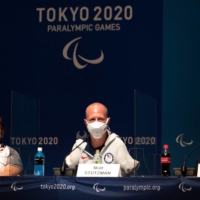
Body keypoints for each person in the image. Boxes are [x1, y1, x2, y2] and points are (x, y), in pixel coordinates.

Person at [65, 102, 139, 177]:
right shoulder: (80, 145)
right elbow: (68, 167)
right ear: (85, 122)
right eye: (92, 119)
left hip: (111, 188)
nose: (96, 123)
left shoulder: (117, 144)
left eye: (100, 119)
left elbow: (130, 169)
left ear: (108, 121)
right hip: (85, 189)